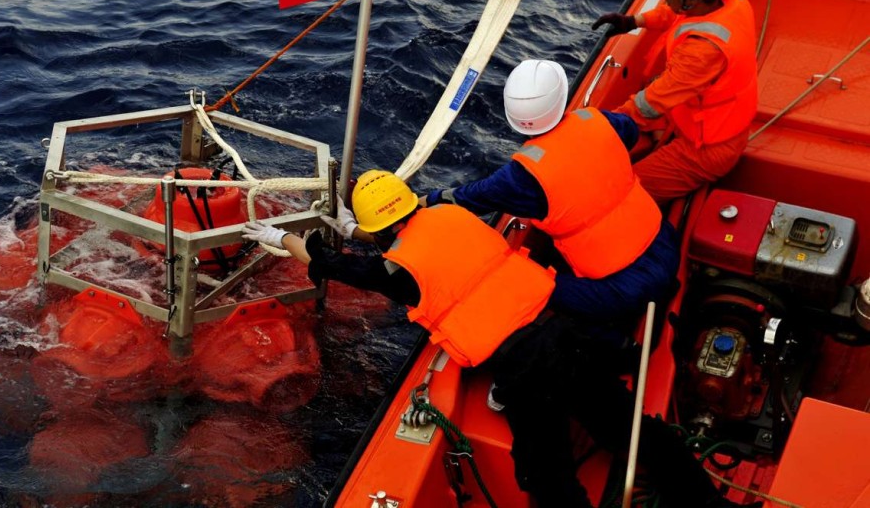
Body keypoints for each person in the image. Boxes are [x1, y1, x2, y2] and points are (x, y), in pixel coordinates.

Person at [242, 170, 759, 508]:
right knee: (632, 431)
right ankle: (707, 503)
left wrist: (287, 241)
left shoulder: (399, 270)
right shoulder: (452, 216)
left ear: (378, 229)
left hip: (528, 369)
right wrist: (356, 231)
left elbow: (339, 267)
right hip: (569, 334)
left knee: (546, 477)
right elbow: (404, 241)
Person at [422, 59, 679, 324]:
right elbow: (630, 133)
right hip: (667, 246)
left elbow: (466, 198)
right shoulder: (601, 121)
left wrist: (422, 202)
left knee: (520, 280)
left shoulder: (521, 177)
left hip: (619, 291)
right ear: (561, 98)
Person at [592, 0, 758, 204]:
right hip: (704, 119)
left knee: (623, 194)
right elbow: (673, 14)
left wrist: (602, 129)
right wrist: (633, 21)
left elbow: (650, 104)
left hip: (705, 149)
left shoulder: (703, 51)